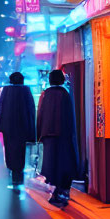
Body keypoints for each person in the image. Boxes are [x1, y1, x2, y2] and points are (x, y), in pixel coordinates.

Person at [37, 68, 80, 207]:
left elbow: (40, 115)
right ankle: (62, 192)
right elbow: (70, 117)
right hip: (63, 135)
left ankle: (54, 192)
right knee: (63, 163)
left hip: (48, 135)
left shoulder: (46, 94)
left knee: (50, 164)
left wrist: (39, 134)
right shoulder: (65, 94)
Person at [0, 70, 36, 189]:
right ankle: (18, 176)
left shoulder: (6, 90)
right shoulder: (26, 91)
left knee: (9, 149)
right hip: (23, 126)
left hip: (8, 126)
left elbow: (0, 108)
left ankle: (12, 173)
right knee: (21, 151)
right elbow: (31, 110)